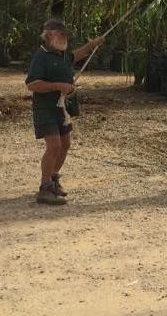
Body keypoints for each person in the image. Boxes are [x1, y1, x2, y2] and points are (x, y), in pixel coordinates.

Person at [25, 18, 105, 205]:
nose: (64, 37)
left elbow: (76, 55)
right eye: (61, 34)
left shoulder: (61, 55)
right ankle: (44, 189)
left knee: (65, 144)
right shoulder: (41, 56)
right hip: (46, 109)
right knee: (54, 146)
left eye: (65, 34)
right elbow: (32, 84)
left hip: (63, 109)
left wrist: (93, 44)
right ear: (49, 35)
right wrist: (59, 86)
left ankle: (53, 180)